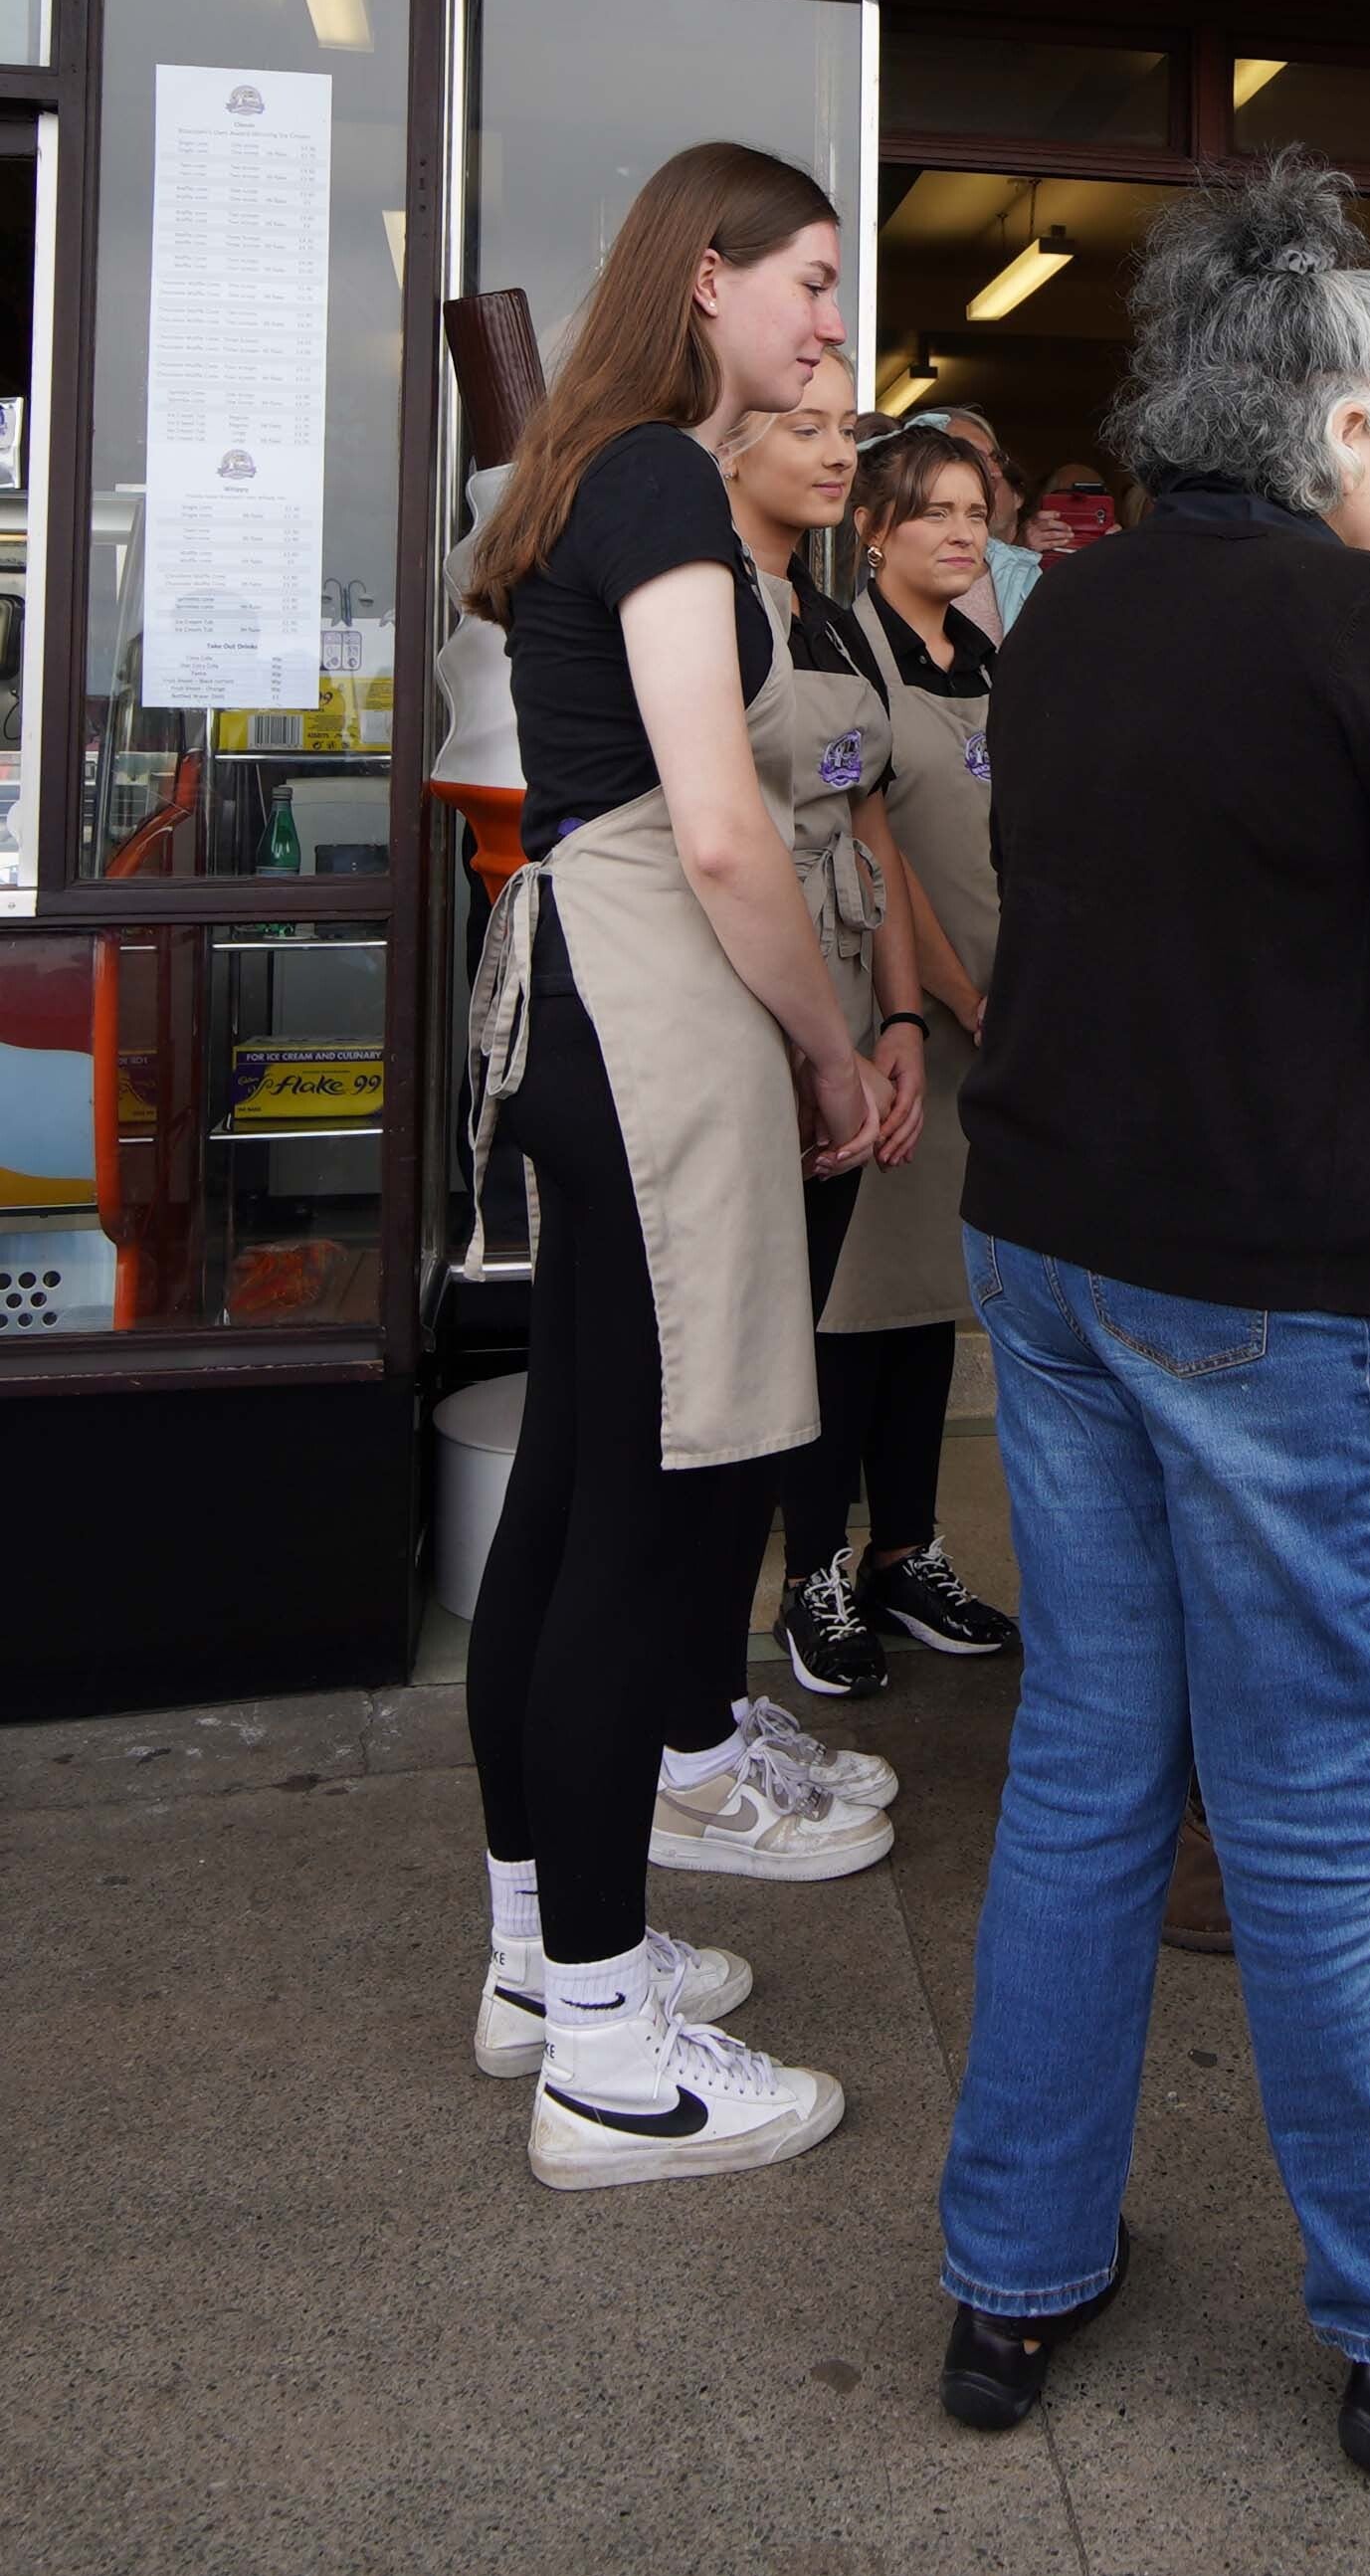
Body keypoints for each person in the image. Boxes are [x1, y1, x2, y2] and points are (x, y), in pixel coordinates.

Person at [940, 154, 1370, 2484]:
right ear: (1329, 427)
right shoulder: (1362, 619)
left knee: (1093, 1763)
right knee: (1318, 1811)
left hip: (1047, 1240)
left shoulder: (1078, 612)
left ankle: (1011, 2275)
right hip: (1250, 1276)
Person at [458, 142, 889, 2190]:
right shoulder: (652, 480)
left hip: (584, 1004)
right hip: (654, 1008)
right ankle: (615, 2054)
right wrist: (825, 1043)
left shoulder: (604, 475)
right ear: (704, 280)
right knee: (651, 1513)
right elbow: (720, 827)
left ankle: (546, 1960)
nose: (831, 321)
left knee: (565, 1498)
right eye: (812, 276)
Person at [644, 347, 929, 1816]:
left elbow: (867, 826)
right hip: (738, 1018)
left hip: (839, 1007)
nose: (835, 454)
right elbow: (714, 839)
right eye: (803, 428)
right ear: (732, 441)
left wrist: (896, 1026)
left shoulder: (827, 610)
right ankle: (683, 1725)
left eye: (844, 432)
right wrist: (816, 1042)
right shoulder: (699, 604)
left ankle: (720, 1698)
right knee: (722, 1383)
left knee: (795, 1366)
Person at [779, 420, 1018, 1677]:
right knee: (851, 1307)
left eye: (976, 510)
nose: (961, 532)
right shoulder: (841, 652)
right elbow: (882, 849)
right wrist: (950, 998)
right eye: (932, 510)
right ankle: (812, 1569)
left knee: (929, 1303)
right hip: (896, 1020)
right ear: (872, 529)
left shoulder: (989, 658)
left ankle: (905, 1551)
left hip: (994, 1032)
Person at [905, 406, 1045, 636]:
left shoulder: (1022, 573)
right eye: (972, 456)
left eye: (996, 459)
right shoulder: (886, 569)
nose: (995, 472)